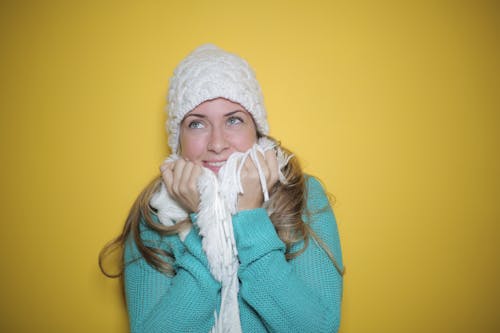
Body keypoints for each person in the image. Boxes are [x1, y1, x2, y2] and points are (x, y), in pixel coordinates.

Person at [100, 44, 344, 333]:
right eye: (197, 124)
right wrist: (204, 221)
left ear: (257, 130)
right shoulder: (155, 214)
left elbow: (317, 329)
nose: (217, 144)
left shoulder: (300, 193)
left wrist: (249, 218)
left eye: (233, 120)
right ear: (178, 139)